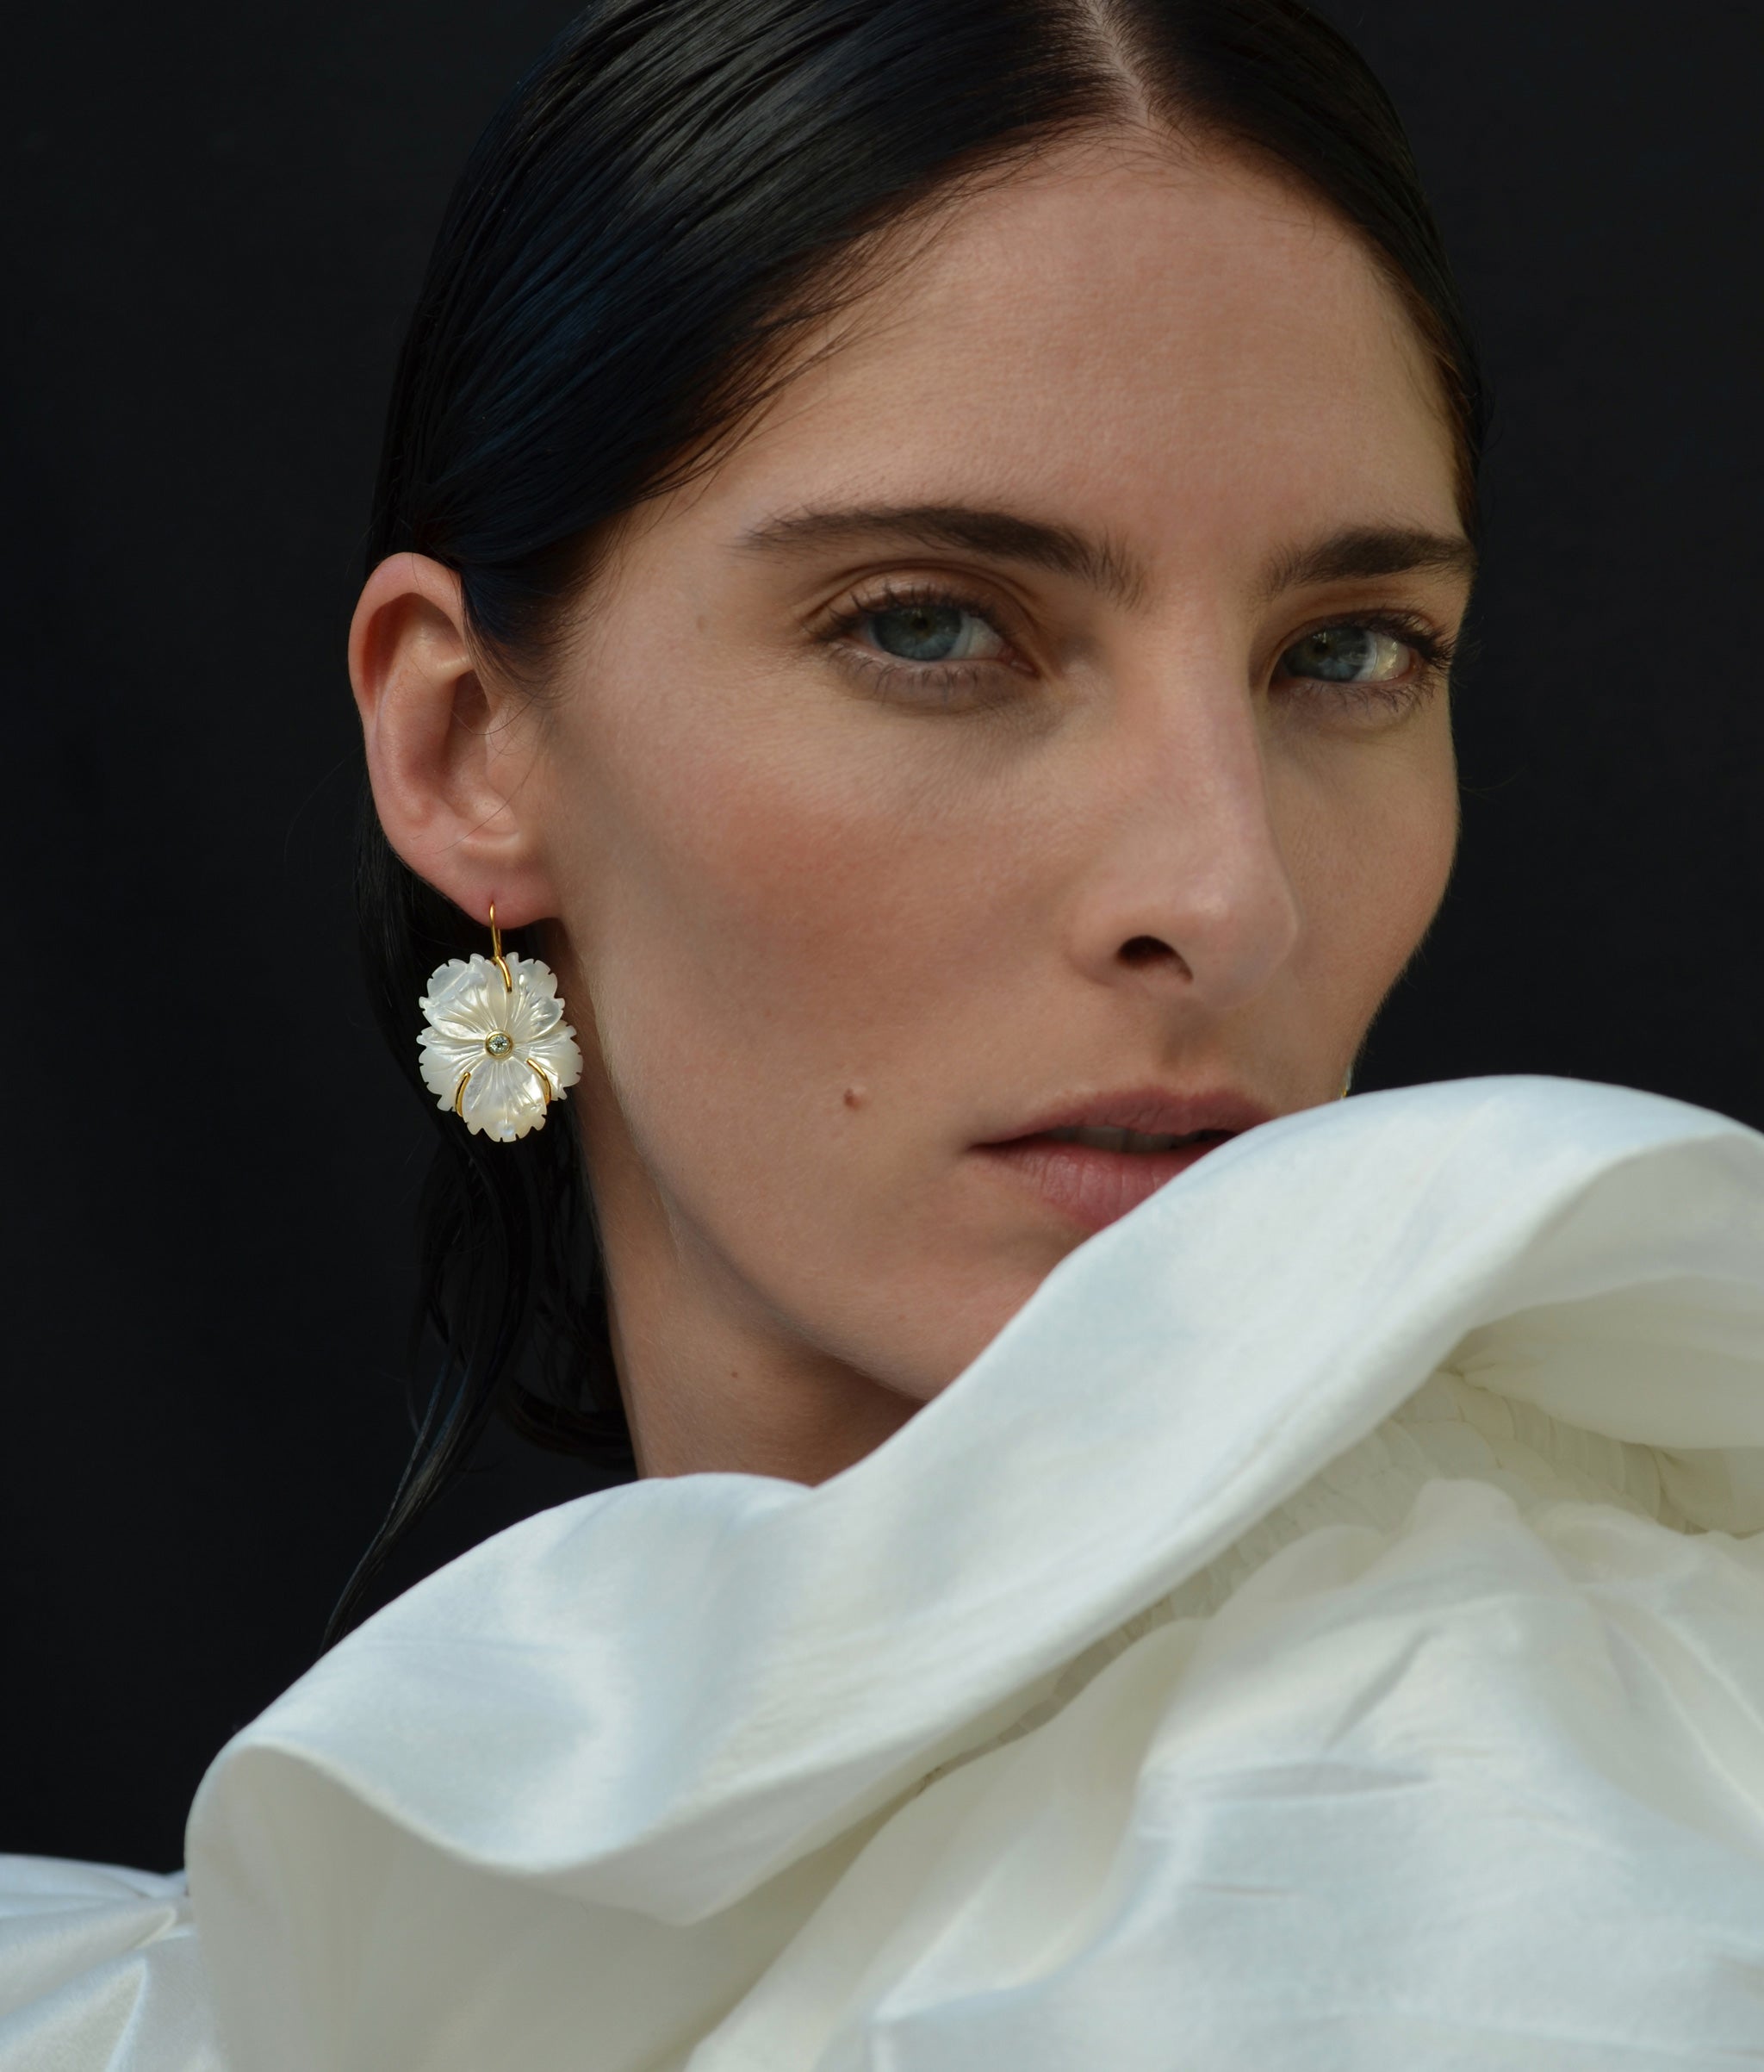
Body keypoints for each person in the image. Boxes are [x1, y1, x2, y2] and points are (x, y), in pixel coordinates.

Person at [9, 2, 1764, 2065]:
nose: (1224, 894)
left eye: (1348, 653)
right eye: (930, 627)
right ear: (467, 742)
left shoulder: (1580, 1842)